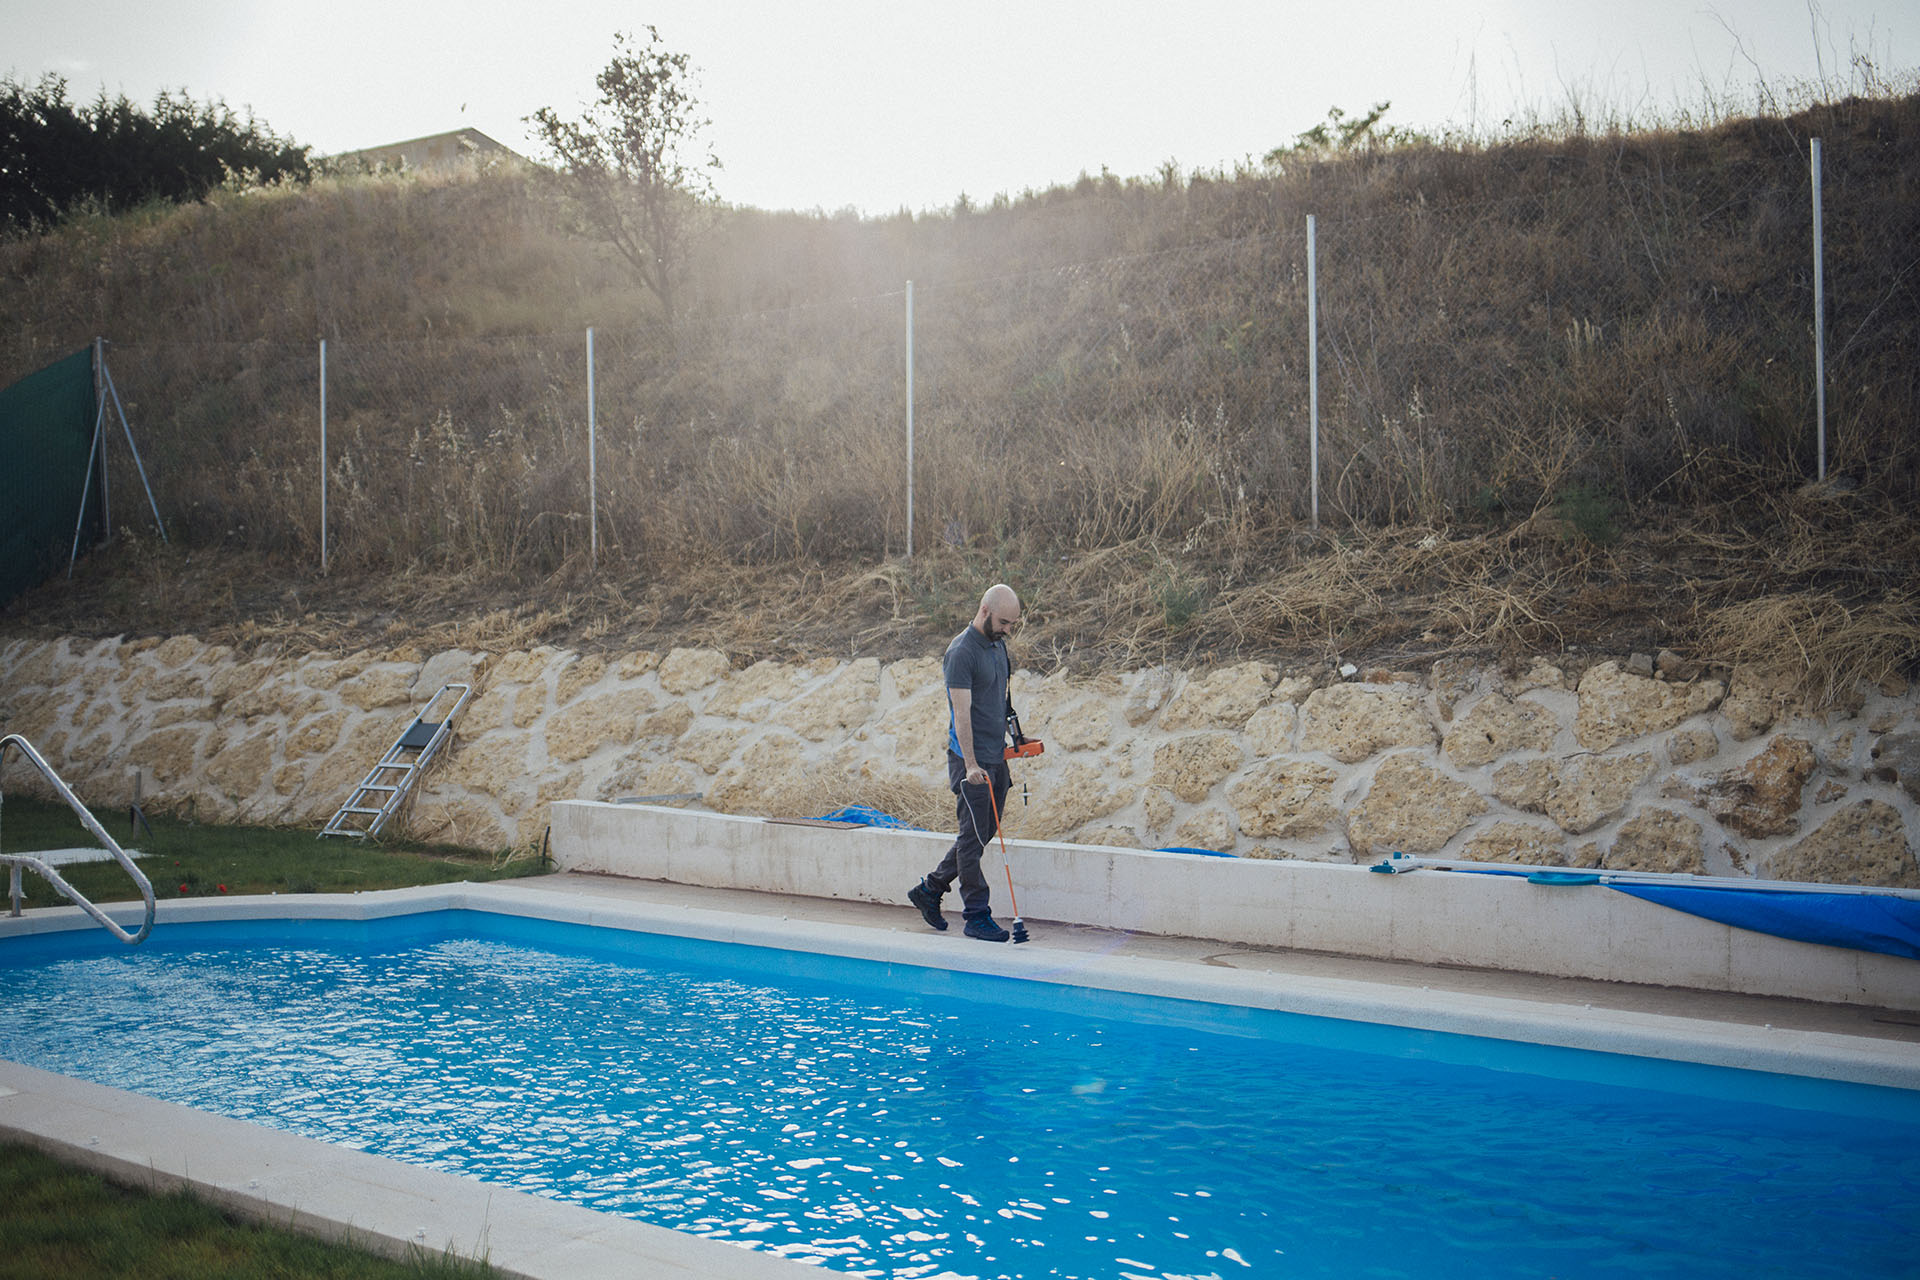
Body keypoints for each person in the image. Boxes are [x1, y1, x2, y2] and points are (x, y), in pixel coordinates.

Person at [908, 583, 1022, 941]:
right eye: (1004, 622)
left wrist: (1017, 738)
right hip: (968, 760)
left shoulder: (998, 647)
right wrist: (971, 765)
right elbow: (962, 715)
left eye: (1012, 624)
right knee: (971, 840)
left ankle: (930, 888)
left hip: (996, 755)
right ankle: (976, 915)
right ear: (985, 610)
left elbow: (999, 702)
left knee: (985, 832)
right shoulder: (961, 652)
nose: (1008, 630)